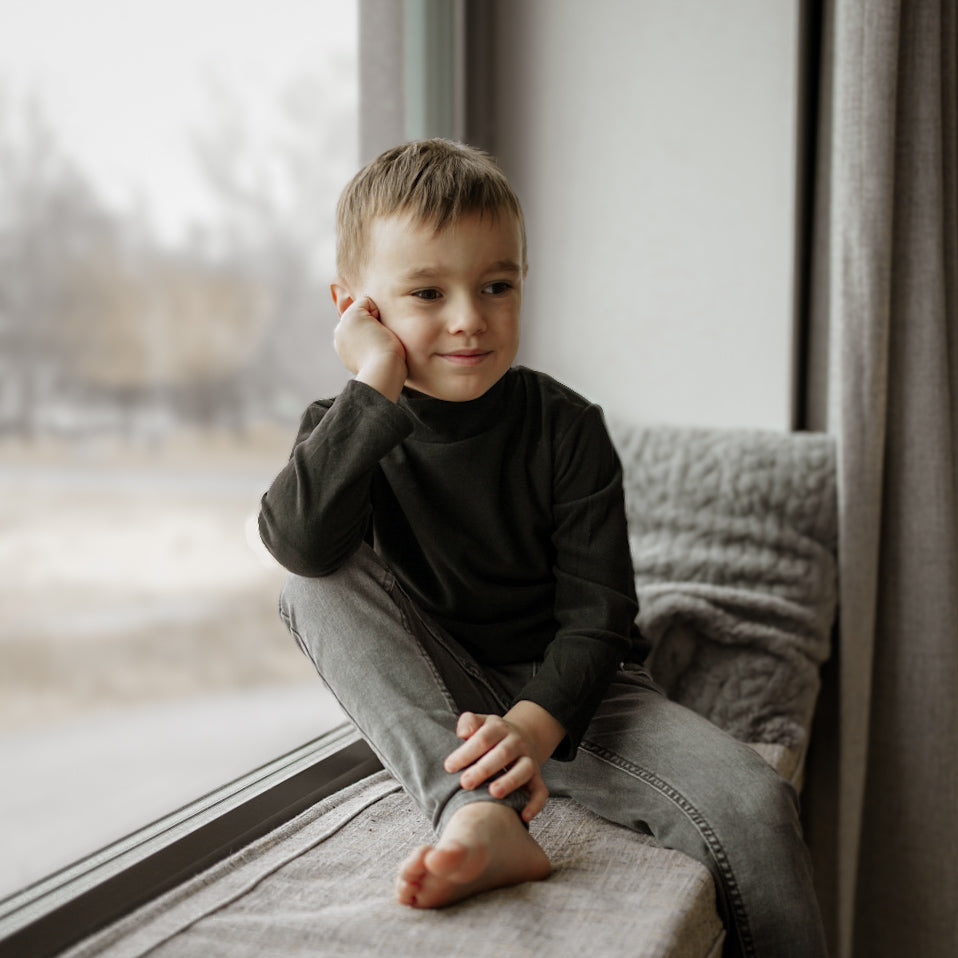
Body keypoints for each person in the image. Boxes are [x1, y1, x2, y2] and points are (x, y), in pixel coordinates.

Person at [258, 138, 826, 957]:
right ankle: (475, 811)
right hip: (439, 685)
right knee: (311, 583)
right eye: (427, 292)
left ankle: (498, 780)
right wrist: (371, 385)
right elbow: (300, 548)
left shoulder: (567, 428)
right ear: (357, 308)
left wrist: (529, 729)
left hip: (579, 691)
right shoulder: (348, 428)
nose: (468, 318)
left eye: (497, 285)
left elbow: (599, 617)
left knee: (755, 801)